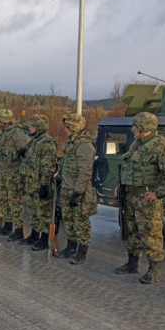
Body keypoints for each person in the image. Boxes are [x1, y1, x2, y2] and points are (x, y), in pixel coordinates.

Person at [115, 112, 165, 283]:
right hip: (131, 196)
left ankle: (154, 270)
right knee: (132, 230)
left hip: (147, 199)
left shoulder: (160, 146)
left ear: (144, 128)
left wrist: (158, 193)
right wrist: (120, 187)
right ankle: (132, 263)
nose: (132, 129)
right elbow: (129, 167)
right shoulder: (137, 144)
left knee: (151, 234)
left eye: (135, 126)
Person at [54, 113, 97, 265]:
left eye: (67, 127)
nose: (65, 130)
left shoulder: (84, 145)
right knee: (68, 220)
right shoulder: (72, 143)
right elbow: (66, 165)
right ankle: (70, 248)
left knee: (80, 222)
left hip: (78, 190)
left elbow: (85, 171)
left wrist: (78, 192)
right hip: (67, 188)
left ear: (74, 128)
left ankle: (81, 253)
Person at [18, 114, 58, 250]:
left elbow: (48, 166)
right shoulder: (34, 141)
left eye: (33, 126)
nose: (30, 128)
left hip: (40, 182)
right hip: (31, 181)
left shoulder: (47, 143)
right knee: (33, 210)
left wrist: (45, 184)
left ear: (40, 128)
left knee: (43, 212)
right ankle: (34, 234)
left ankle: (44, 239)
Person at [0, 109, 29, 241]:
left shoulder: (16, 133)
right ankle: (7, 226)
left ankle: (19, 229)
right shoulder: (3, 134)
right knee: (4, 200)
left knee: (14, 202)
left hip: (13, 173)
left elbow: (24, 152)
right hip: (3, 172)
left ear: (4, 121)